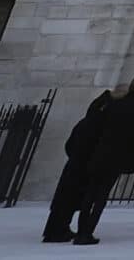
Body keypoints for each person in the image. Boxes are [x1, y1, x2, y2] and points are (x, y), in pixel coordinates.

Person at [69, 75, 134, 244]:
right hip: (118, 157)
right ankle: (88, 232)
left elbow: (98, 118)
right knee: (101, 196)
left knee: (90, 193)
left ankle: (81, 231)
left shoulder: (116, 104)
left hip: (101, 153)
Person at [43, 84, 116, 242]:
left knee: (63, 201)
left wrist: (75, 157)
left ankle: (56, 229)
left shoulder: (84, 123)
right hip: (83, 167)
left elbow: (69, 145)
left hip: (73, 165)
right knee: (70, 200)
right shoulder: (99, 126)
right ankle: (58, 231)